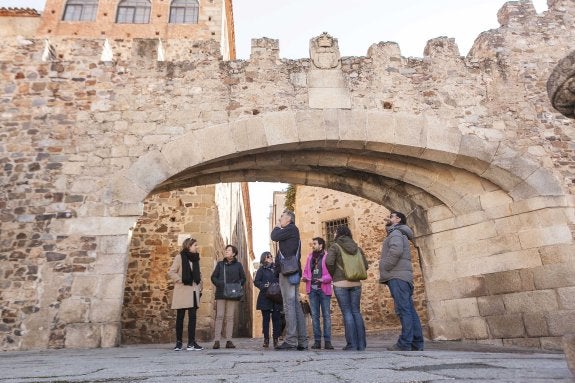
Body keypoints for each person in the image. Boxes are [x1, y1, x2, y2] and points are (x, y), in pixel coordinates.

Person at [379, 211, 424, 352]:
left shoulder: (396, 233)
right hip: (403, 277)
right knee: (409, 310)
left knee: (403, 310)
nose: (388, 217)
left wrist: (386, 265)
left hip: (397, 276)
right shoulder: (400, 233)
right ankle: (416, 343)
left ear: (398, 219)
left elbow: (396, 251)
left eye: (391, 216)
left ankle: (404, 343)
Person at [270, 209, 308, 351]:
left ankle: (291, 340)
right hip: (293, 271)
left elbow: (274, 236)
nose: (280, 219)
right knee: (296, 305)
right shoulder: (293, 231)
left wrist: (276, 227)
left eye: (282, 217)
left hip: (287, 272)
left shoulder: (290, 229)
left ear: (289, 219)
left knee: (288, 305)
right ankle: (302, 341)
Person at [326, 226, 368, 351]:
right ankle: (361, 344)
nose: (333, 234)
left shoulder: (335, 246)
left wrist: (334, 274)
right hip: (356, 283)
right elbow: (365, 265)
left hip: (340, 283)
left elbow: (329, 262)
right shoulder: (357, 248)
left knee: (347, 312)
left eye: (334, 232)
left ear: (338, 234)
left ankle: (352, 344)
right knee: (356, 311)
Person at [167, 237, 203, 351]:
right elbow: (171, 272)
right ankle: (179, 342)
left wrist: (200, 287)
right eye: (195, 245)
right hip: (182, 290)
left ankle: (191, 343)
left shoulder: (196, 259)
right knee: (180, 317)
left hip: (193, 290)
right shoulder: (179, 257)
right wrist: (180, 280)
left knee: (192, 317)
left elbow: (199, 275)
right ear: (189, 246)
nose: (197, 247)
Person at [210, 244, 246, 349]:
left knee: (230, 317)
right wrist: (221, 284)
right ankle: (217, 341)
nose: (226, 251)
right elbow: (213, 277)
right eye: (226, 250)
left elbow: (243, 278)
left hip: (233, 294)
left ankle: (229, 340)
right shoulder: (220, 264)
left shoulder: (238, 265)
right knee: (219, 316)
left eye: (229, 250)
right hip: (221, 293)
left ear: (234, 253)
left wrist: (237, 285)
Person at [302, 237, 334, 350]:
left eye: (315, 243)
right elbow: (306, 271)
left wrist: (323, 279)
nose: (313, 245)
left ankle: (328, 341)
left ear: (321, 245)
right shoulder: (309, 257)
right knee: (315, 316)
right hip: (312, 290)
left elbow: (332, 273)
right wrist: (305, 277)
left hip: (324, 290)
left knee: (326, 316)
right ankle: (317, 342)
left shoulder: (327, 256)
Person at [253, 251, 282, 349]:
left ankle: (276, 339)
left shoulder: (276, 268)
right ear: (264, 258)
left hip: (276, 297)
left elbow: (281, 278)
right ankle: (266, 339)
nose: (270, 258)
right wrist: (263, 286)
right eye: (268, 256)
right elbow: (256, 281)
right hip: (265, 296)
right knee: (266, 319)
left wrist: (277, 285)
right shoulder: (261, 270)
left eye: (271, 256)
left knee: (276, 319)